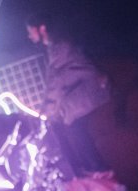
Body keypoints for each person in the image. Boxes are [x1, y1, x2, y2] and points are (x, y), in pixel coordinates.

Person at [26, 8, 112, 179]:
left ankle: (98, 170)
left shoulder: (61, 49)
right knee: (67, 127)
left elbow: (56, 84)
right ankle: (86, 170)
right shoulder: (55, 48)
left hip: (88, 92)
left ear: (42, 28)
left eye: (30, 31)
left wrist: (46, 112)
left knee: (72, 127)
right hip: (80, 93)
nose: (29, 35)